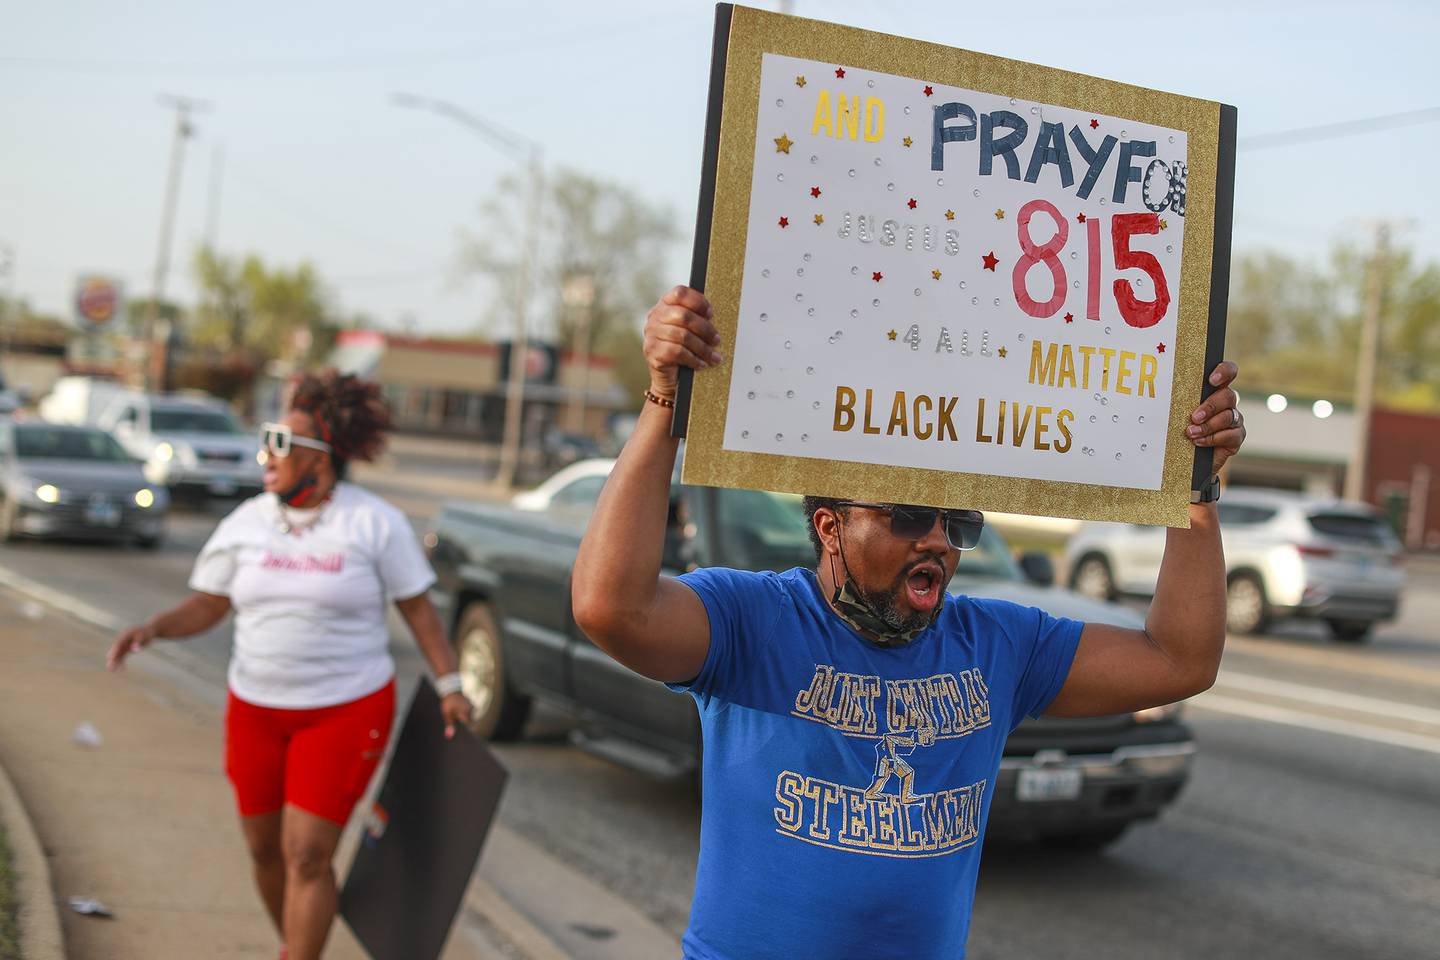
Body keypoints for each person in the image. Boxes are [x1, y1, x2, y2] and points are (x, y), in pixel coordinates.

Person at [572, 285, 1247, 960]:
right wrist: (665, 399)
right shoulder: (753, 620)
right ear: (830, 527)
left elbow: (1179, 661)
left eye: (957, 523)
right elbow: (613, 609)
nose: (938, 543)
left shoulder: (997, 647)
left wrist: (1197, 499)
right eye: (908, 517)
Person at [106, 371, 474, 960]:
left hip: (345, 710)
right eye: (267, 439)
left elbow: (420, 613)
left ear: (320, 458)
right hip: (254, 708)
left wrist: (451, 683)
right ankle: (294, 946)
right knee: (264, 850)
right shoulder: (246, 522)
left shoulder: (373, 522)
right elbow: (209, 603)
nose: (265, 454)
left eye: (281, 442)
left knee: (307, 853)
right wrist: (153, 629)